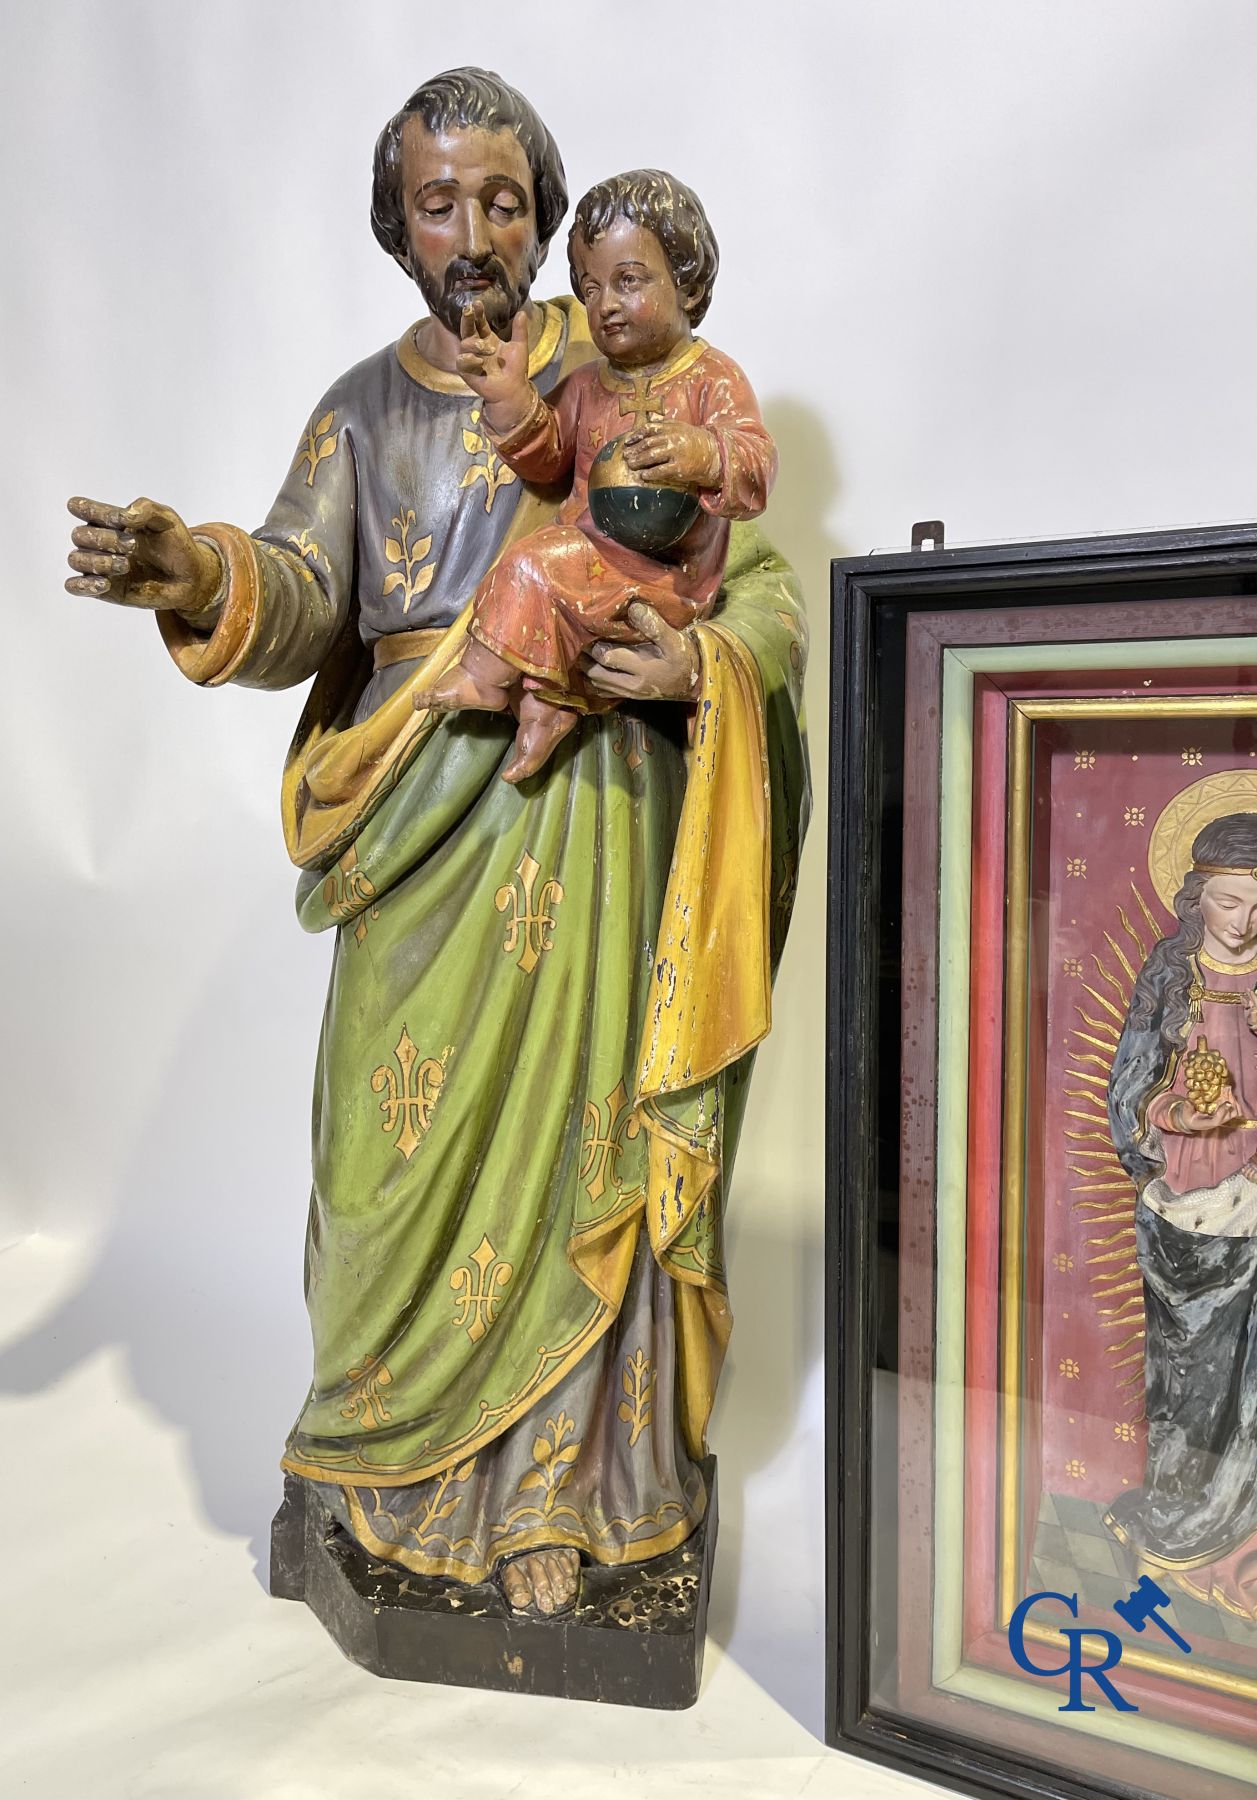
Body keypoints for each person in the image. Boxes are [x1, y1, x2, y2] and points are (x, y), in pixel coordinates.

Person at [64, 67, 809, 1622]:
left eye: (502, 200)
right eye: (436, 202)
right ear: (394, 226)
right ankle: (381, 1461)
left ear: (546, 212)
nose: (474, 232)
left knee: (572, 1158)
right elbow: (293, 589)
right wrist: (192, 570)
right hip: (418, 804)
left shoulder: (623, 349)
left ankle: (562, 1493)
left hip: (595, 812)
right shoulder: (361, 408)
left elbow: (758, 582)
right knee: (383, 1162)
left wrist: (705, 670)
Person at [423, 170, 777, 782]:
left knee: (532, 563)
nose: (604, 305)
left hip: (668, 584)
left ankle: (484, 675)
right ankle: (544, 712)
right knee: (541, 577)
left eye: (628, 281)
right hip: (588, 568)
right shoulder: (588, 384)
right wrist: (509, 396)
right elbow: (546, 456)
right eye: (590, 288)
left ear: (688, 287)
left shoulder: (711, 379)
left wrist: (704, 453)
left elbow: (755, 467)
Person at [1107, 811, 1257, 1620]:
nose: (1244, 923)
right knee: (1192, 1381)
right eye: (1229, 902)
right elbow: (1130, 1083)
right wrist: (1173, 1116)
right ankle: (1181, 1526)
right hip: (1194, 1208)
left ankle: (1245, 1534)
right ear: (1197, 897)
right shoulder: (1170, 970)